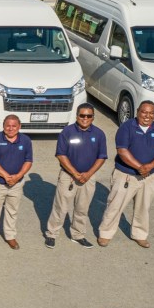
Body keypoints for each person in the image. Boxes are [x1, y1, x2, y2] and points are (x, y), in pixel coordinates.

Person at [97, 100, 154, 248]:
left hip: (149, 176)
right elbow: (122, 151)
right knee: (115, 205)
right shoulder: (127, 127)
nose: (147, 116)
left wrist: (151, 166)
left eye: (151, 113)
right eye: (144, 112)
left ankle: (139, 234)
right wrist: (139, 166)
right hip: (126, 175)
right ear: (137, 112)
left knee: (143, 207)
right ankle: (105, 234)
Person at [44, 103, 107, 249]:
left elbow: (102, 157)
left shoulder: (99, 134)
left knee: (82, 208)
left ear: (93, 117)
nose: (85, 118)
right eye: (82, 115)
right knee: (60, 207)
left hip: (88, 177)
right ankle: (52, 234)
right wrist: (74, 173)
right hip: (68, 176)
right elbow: (61, 155)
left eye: (88, 116)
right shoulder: (67, 132)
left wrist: (89, 174)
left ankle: (78, 235)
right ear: (77, 116)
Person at [0, 114, 33, 250]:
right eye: (7, 126)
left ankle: (10, 236)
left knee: (12, 211)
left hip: (17, 184)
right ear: (3, 126)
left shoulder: (26, 141)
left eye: (14, 126)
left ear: (19, 126)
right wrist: (6, 176)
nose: (10, 129)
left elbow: (28, 161)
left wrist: (18, 176)